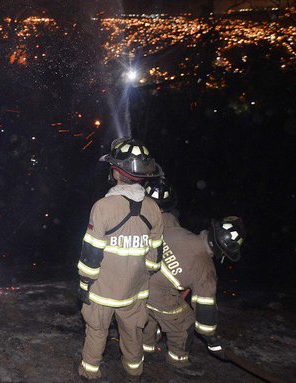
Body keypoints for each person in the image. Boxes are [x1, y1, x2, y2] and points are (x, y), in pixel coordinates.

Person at [77, 137, 164, 382]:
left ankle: (89, 373)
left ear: (116, 172)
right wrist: (141, 277)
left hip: (102, 291)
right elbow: (154, 256)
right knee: (133, 334)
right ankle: (134, 372)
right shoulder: (154, 209)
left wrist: (85, 284)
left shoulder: (103, 207)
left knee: (96, 331)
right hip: (134, 292)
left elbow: (91, 254)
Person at [142, 214, 246, 377]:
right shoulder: (206, 271)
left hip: (137, 282)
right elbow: (205, 312)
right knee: (185, 321)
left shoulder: (179, 232)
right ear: (224, 252)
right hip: (155, 293)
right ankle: (178, 360)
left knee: (156, 312)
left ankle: (145, 347)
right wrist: (212, 340)